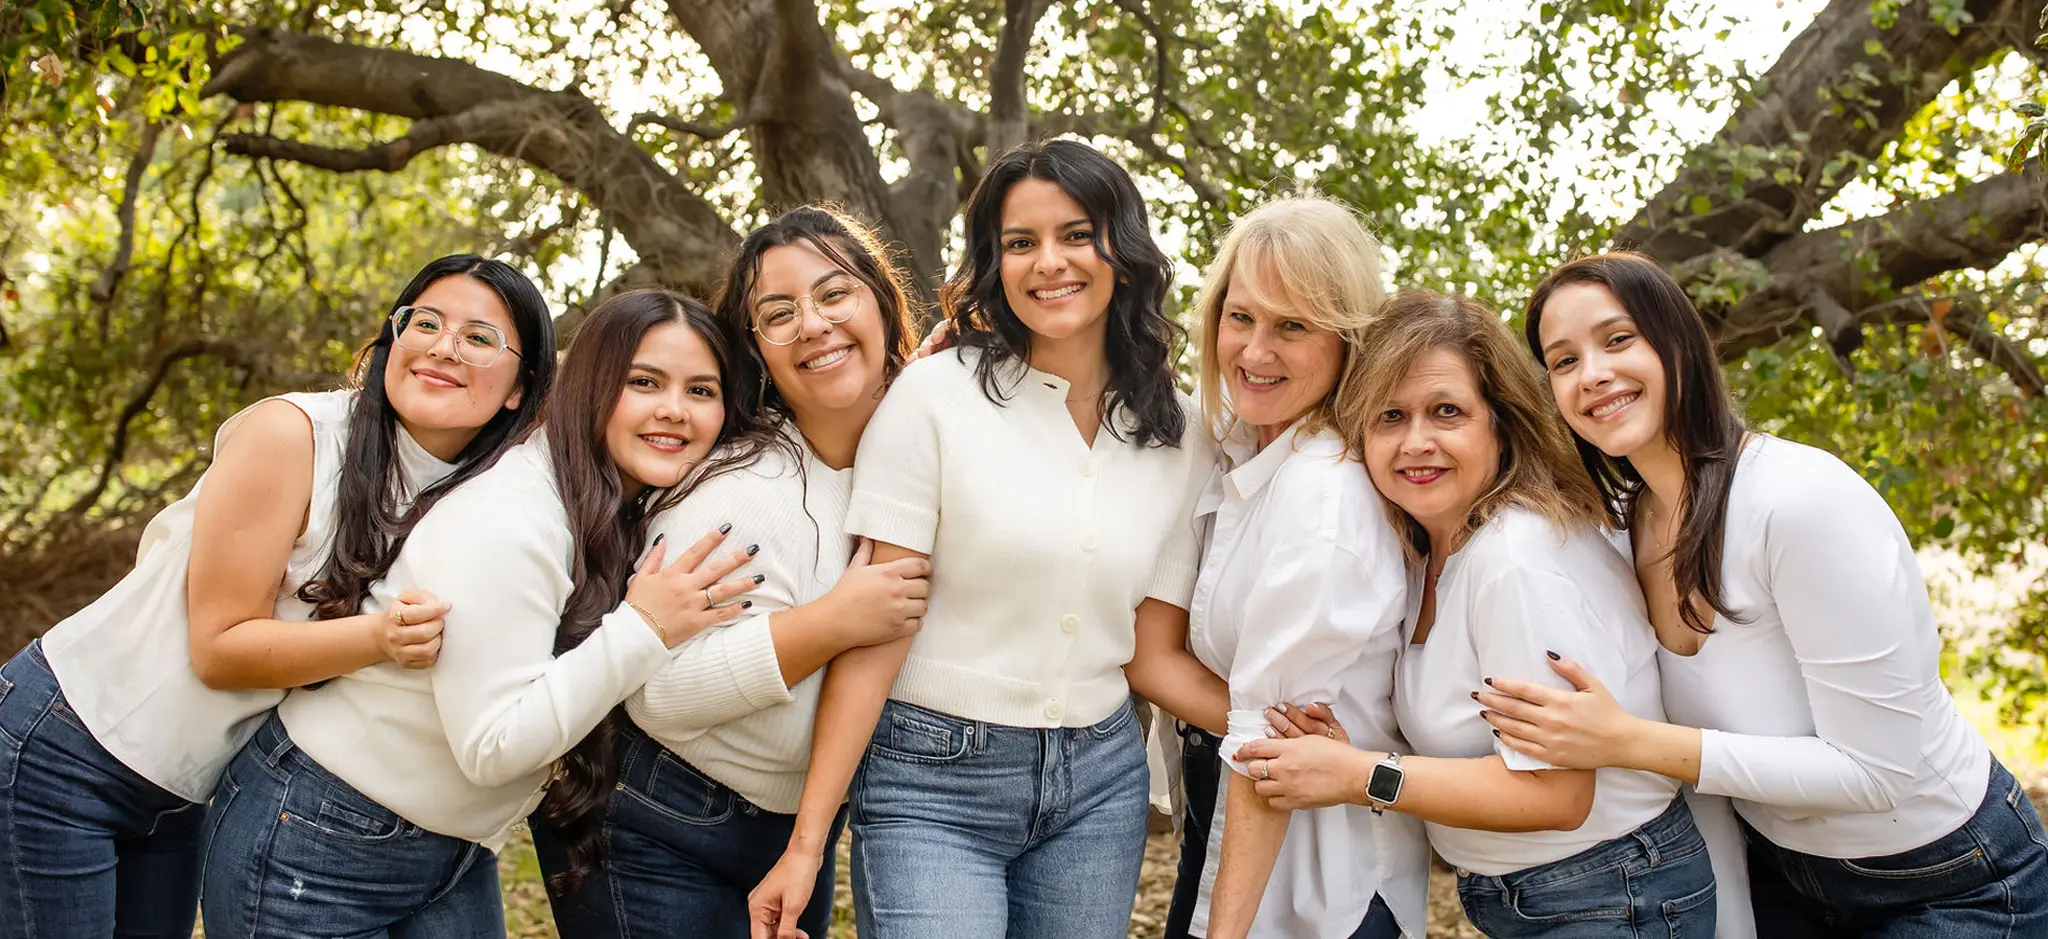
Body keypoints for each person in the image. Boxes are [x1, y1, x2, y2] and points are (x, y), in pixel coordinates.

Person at [1477, 251, 2048, 935]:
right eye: (1563, 360)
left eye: (1618, 339)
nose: (1592, 374)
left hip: (1948, 875)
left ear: (1679, 341)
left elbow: (1878, 772)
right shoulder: (1625, 528)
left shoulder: (1797, 501)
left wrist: (1628, 741)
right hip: (1785, 871)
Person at [0, 254, 553, 939]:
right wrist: (381, 639)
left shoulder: (480, 496)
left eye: (478, 336)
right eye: (426, 322)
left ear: (517, 388)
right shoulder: (294, 434)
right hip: (67, 750)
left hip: (185, 792)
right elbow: (219, 647)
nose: (443, 346)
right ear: (391, 339)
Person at [747, 139, 1216, 939]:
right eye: (1020, 243)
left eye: (1077, 234)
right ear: (994, 264)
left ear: (1124, 251)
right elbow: (877, 628)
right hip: (931, 778)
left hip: (1101, 782)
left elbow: (1150, 649)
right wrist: (806, 842)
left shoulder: (1180, 427)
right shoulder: (935, 394)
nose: (1049, 263)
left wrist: (1275, 727)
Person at [198, 288, 763, 937]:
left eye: (701, 390)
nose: (674, 410)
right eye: (644, 381)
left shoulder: (605, 504)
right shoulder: (514, 519)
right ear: (591, 386)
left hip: (447, 847)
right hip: (319, 837)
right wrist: (644, 628)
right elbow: (493, 748)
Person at [1236, 289, 1716, 938]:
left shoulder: (1514, 561)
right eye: (1390, 416)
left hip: (1612, 894)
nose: (1416, 442)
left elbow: (1558, 793)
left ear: (1501, 420)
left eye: (1446, 412)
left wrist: (1360, 775)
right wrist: (1349, 752)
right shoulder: (1429, 551)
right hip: (1548, 895)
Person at [534, 206, 931, 939]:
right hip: (660, 818)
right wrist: (833, 621)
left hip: (790, 828)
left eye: (834, 293)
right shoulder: (740, 492)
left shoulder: (914, 458)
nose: (812, 324)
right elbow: (658, 692)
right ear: (756, 348)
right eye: (778, 312)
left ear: (882, 299)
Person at [1167, 196, 1428, 939]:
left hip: (1317, 890)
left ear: (1347, 340)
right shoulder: (1245, 447)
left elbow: (1266, 748)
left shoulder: (1324, 491)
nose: (1255, 351)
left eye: (1292, 325)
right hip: (1232, 834)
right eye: (1240, 316)